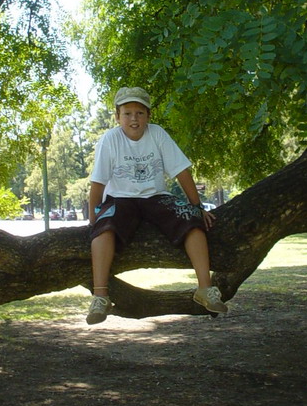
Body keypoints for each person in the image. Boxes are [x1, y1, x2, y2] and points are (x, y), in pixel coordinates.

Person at [86, 86, 228, 325]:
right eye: (127, 113)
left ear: (148, 116)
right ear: (117, 116)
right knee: (104, 228)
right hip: (121, 198)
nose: (134, 119)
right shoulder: (110, 139)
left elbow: (182, 172)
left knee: (191, 220)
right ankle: (100, 297)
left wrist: (197, 207)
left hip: (156, 197)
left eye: (140, 113)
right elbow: (98, 184)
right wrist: (92, 223)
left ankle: (205, 288)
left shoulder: (158, 134)